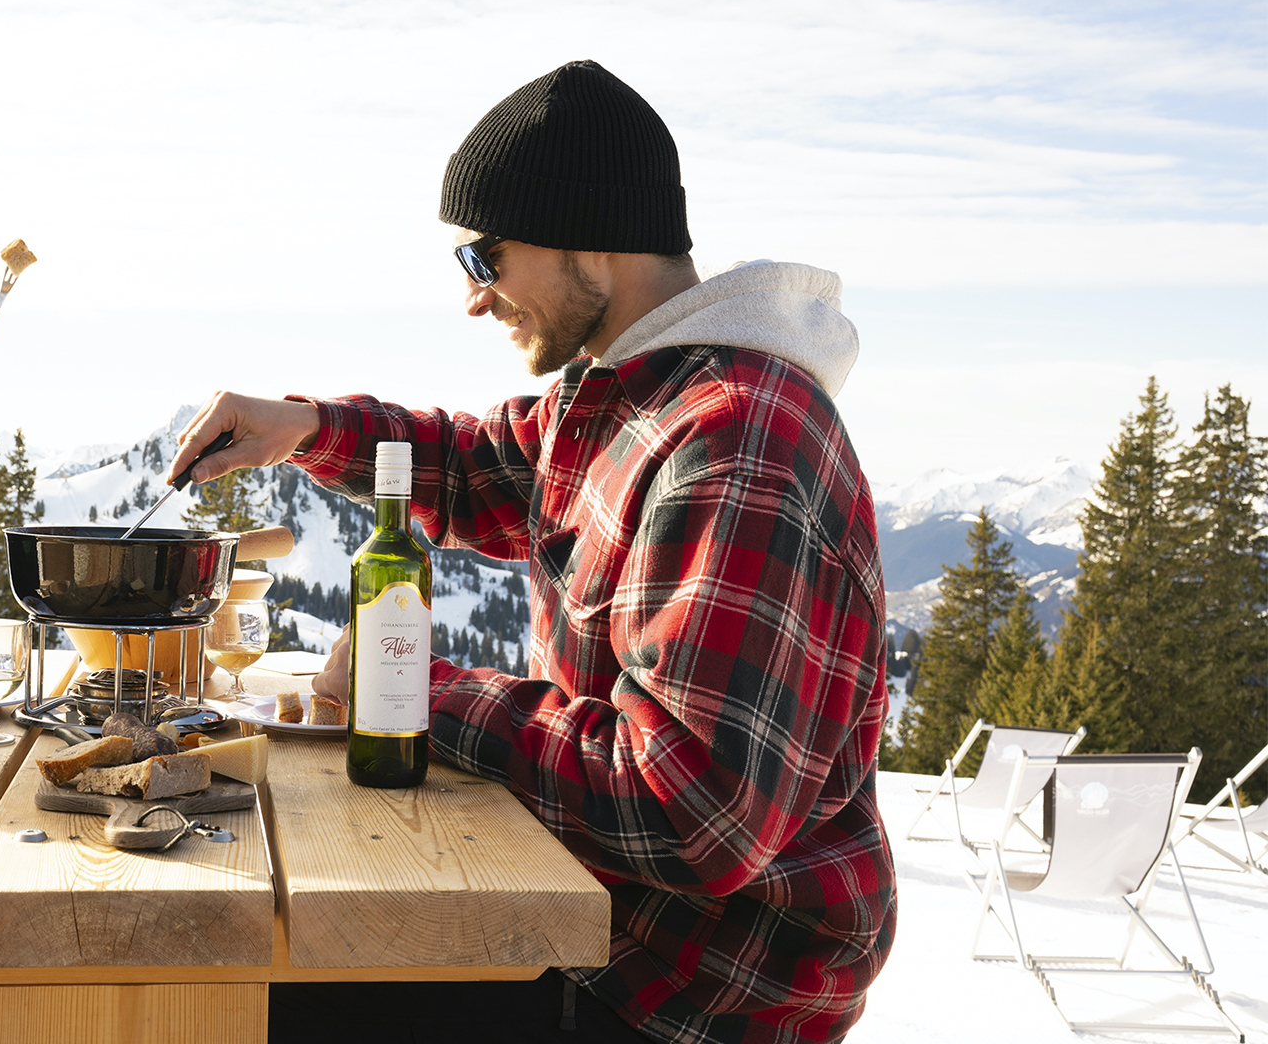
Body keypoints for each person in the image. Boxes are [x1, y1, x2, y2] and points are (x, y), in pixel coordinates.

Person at [170, 62, 895, 1043]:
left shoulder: (735, 445)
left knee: (212, 997)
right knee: (224, 968)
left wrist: (411, 687)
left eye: (485, 258)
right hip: (589, 923)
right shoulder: (633, 393)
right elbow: (482, 466)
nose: (475, 298)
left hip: (676, 992)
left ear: (587, 234)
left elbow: (691, 811)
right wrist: (305, 427)